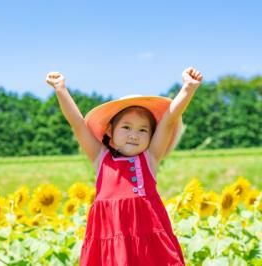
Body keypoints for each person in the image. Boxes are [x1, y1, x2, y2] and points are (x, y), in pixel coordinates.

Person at [46, 67, 203, 265]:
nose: (133, 135)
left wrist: (188, 88)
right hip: (109, 239)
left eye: (143, 130)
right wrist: (61, 89)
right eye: (126, 127)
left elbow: (169, 121)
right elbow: (77, 124)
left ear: (151, 136)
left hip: (148, 246)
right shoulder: (100, 158)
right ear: (110, 131)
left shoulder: (150, 158)